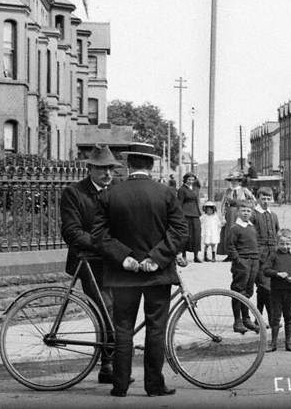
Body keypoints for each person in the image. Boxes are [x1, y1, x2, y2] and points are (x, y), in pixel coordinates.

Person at [92, 150, 187, 398]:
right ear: (151, 165)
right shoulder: (165, 193)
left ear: (128, 164)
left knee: (123, 328)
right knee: (156, 328)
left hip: (124, 275)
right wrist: (155, 259)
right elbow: (179, 231)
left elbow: (100, 236)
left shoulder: (110, 194)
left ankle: (120, 385)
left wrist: (125, 258)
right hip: (157, 275)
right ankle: (154, 385)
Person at [59, 144, 121, 384]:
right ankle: (108, 364)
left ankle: (110, 364)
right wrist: (102, 245)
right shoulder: (74, 193)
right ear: (90, 169)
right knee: (107, 309)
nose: (107, 174)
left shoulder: (116, 191)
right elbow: (72, 231)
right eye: (102, 168)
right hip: (89, 262)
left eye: (111, 169)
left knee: (119, 311)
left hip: (114, 262)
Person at [262, 228, 291, 352]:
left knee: (288, 316)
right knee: (275, 318)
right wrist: (277, 274)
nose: (284, 246)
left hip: (290, 291)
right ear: (277, 243)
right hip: (276, 292)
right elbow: (265, 270)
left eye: (287, 244)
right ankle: (273, 343)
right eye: (282, 243)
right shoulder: (273, 256)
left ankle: (288, 342)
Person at [226, 202, 261, 334]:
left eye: (248, 211)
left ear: (252, 213)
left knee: (248, 291)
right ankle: (237, 321)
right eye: (243, 210)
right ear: (238, 212)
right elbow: (230, 246)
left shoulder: (252, 227)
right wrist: (238, 260)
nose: (246, 213)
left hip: (254, 261)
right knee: (238, 291)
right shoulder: (235, 228)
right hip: (242, 262)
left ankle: (247, 319)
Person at [251, 189, 280, 319]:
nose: (266, 202)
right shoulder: (253, 214)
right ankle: (270, 318)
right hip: (259, 256)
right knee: (265, 287)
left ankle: (259, 318)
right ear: (258, 198)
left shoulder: (273, 215)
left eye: (269, 199)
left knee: (265, 288)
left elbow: (277, 233)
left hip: (272, 256)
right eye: (263, 199)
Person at [218, 174, 256, 259]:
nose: (234, 182)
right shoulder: (228, 191)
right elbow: (223, 204)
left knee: (241, 232)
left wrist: (248, 208)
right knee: (229, 233)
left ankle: (241, 253)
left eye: (236, 180)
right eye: (232, 180)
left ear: (239, 181)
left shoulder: (244, 190)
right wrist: (223, 216)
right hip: (230, 214)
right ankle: (230, 254)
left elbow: (253, 200)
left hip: (241, 214)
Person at [177, 173, 202, 264]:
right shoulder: (181, 190)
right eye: (189, 179)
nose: (191, 181)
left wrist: (199, 212)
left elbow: (197, 201)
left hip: (195, 214)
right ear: (185, 180)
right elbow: (179, 203)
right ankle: (183, 255)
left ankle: (196, 256)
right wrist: (179, 215)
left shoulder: (195, 189)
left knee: (196, 234)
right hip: (185, 214)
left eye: (192, 179)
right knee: (185, 235)